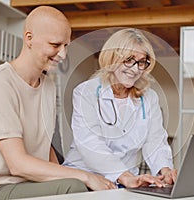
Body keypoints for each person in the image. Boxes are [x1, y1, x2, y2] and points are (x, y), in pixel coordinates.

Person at [0, 6, 116, 200]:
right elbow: (17, 164)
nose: (63, 54)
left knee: (82, 185)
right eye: (55, 45)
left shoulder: (48, 86)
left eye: (66, 46)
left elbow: (47, 150)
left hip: (27, 185)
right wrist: (85, 177)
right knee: (73, 186)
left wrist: (89, 178)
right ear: (29, 38)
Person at [63, 28, 177, 188]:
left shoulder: (149, 98)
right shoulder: (86, 92)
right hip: (85, 178)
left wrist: (164, 170)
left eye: (142, 62)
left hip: (129, 181)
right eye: (129, 59)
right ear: (112, 58)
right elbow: (90, 143)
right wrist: (123, 176)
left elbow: (155, 141)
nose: (136, 69)